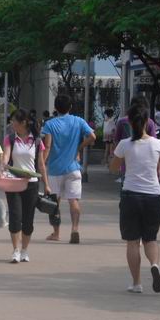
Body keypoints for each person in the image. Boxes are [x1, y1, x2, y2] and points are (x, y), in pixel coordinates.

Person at [110, 104, 160, 294]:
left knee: (132, 241)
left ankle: (137, 283)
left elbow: (113, 168)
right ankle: (154, 264)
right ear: (147, 122)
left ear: (129, 122)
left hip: (130, 195)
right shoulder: (157, 144)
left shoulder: (124, 144)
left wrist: (119, 158)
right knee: (150, 239)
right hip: (153, 195)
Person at [41, 94, 96, 244]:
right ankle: (75, 229)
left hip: (55, 169)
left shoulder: (50, 124)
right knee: (73, 200)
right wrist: (79, 147)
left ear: (55, 108)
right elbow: (92, 137)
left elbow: (48, 146)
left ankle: (56, 233)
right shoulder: (78, 121)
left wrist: (41, 163)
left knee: (54, 203)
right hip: (73, 168)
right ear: (70, 107)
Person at [0, 109, 47, 262]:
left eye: (14, 120)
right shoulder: (10, 139)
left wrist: (46, 184)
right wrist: (1, 168)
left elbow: (41, 164)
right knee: (15, 216)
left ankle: (25, 250)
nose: (11, 123)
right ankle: (16, 250)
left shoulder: (37, 141)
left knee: (28, 220)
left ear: (23, 122)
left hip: (31, 184)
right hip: (13, 183)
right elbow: (6, 156)